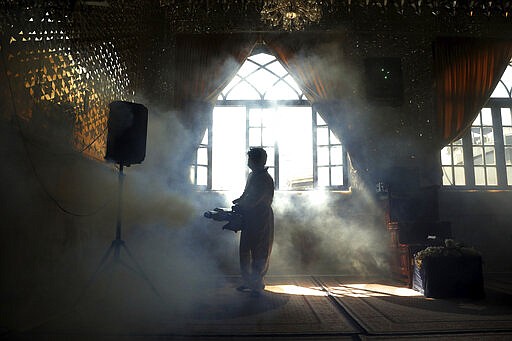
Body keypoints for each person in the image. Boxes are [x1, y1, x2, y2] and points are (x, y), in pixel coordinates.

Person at [232, 147, 274, 297]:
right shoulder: (252, 176)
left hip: (261, 217)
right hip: (249, 216)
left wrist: (241, 207)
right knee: (244, 249)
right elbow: (246, 194)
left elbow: (256, 200)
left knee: (259, 250)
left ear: (257, 161)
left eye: (250, 160)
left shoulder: (265, 179)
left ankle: (256, 283)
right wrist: (238, 202)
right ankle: (247, 281)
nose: (248, 163)